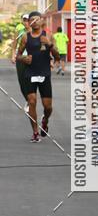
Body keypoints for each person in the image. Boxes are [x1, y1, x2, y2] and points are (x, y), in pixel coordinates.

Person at [16, 12, 59, 141]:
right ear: (29, 22)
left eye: (36, 19)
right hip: (30, 73)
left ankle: (45, 120)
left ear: (41, 21)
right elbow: (17, 55)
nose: (34, 22)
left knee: (48, 106)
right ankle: (35, 132)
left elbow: (57, 56)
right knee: (32, 101)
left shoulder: (49, 36)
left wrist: (49, 45)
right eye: (32, 20)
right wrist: (24, 59)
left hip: (44, 73)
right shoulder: (25, 37)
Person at [12, 13, 31, 102]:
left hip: (32, 58)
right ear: (22, 21)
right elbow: (14, 44)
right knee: (22, 81)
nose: (26, 22)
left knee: (31, 80)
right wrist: (13, 55)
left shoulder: (35, 31)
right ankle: (28, 100)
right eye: (24, 20)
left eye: (28, 20)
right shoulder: (19, 31)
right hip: (20, 58)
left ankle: (31, 99)